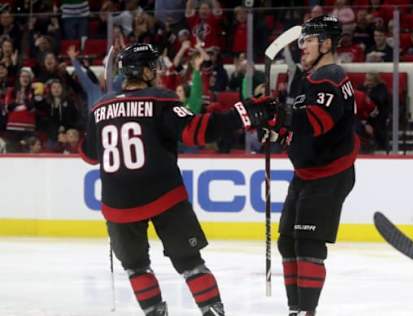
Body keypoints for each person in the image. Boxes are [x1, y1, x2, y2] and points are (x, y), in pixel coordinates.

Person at [79, 43, 276, 316]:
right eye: (153, 66)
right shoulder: (161, 99)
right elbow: (196, 132)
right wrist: (245, 113)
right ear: (144, 70)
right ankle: (212, 311)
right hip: (163, 196)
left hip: (118, 205)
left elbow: (89, 155)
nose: (157, 71)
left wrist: (99, 118)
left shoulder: (101, 107)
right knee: (190, 263)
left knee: (136, 267)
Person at [270, 16, 358, 316]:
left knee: (307, 242)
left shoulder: (330, 77)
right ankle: (296, 310)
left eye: (308, 40)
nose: (301, 46)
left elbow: (316, 125)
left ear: (327, 43)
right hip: (309, 172)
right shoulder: (313, 78)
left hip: (328, 174)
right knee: (287, 242)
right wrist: (278, 127)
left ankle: (306, 311)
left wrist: (280, 117)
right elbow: (302, 134)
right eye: (302, 41)